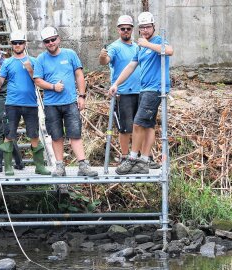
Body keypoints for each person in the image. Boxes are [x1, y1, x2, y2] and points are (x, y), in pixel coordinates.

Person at [109, 12, 174, 174]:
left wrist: (147, 44)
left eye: (147, 27)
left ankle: (132, 159)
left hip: (155, 89)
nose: (145, 30)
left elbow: (169, 51)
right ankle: (144, 161)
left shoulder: (157, 41)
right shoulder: (140, 47)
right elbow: (130, 67)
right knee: (148, 126)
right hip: (144, 89)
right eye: (142, 28)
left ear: (153, 27)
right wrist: (116, 83)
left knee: (137, 124)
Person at [34, 26, 98, 177]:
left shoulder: (70, 54)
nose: (50, 43)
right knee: (56, 136)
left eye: (53, 39)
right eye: (47, 41)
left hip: (70, 103)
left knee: (75, 134)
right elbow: (37, 80)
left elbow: (79, 75)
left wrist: (81, 96)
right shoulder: (41, 59)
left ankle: (83, 165)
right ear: (44, 43)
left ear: (58, 39)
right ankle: (59, 166)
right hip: (51, 104)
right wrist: (53, 87)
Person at [0, 30, 50, 176]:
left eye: (20, 43)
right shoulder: (7, 63)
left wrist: (30, 70)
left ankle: (39, 166)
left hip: (31, 104)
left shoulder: (34, 61)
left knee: (34, 134)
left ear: (25, 44)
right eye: (14, 43)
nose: (17, 45)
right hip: (12, 104)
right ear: (11, 45)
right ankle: (8, 167)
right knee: (9, 134)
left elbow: (39, 82)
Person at [99, 15, 141, 164]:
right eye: (122, 29)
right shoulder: (114, 47)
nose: (125, 31)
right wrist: (102, 57)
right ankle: (124, 157)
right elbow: (105, 60)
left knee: (139, 126)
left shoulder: (137, 47)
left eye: (128, 29)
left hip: (139, 92)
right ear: (118, 30)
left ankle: (136, 157)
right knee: (125, 127)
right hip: (123, 93)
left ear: (132, 30)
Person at [0, 41, 24, 172]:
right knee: (8, 132)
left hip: (0, 101)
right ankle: (19, 162)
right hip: (7, 102)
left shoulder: (1, 65)